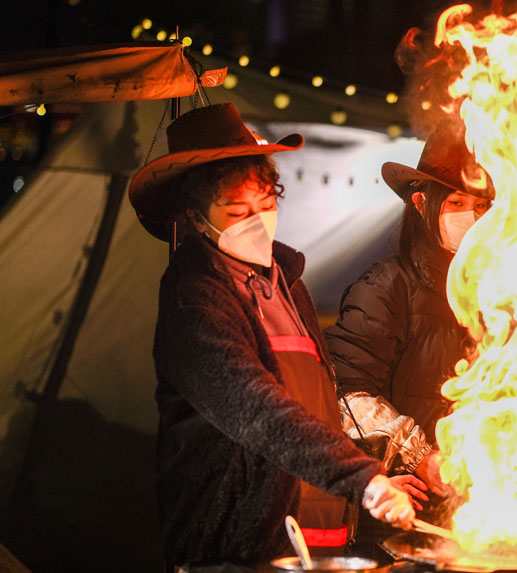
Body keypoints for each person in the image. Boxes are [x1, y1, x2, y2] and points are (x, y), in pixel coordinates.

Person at [127, 103, 413, 568]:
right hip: (237, 549)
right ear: (199, 220)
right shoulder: (194, 297)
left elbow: (315, 403)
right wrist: (360, 477)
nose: (257, 220)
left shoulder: (288, 284)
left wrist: (368, 484)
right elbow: (255, 407)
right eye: (237, 210)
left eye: (265, 203)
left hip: (322, 532)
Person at [324, 131, 493, 535]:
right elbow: (343, 395)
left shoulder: (496, 291)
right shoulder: (387, 286)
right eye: (456, 203)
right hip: (403, 511)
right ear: (421, 203)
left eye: (480, 206)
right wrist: (419, 456)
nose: (471, 216)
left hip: (481, 507)